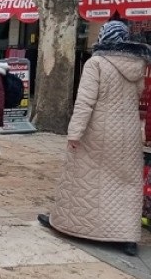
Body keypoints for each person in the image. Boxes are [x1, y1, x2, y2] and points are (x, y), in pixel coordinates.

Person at [38, 21, 151, 257]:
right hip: (128, 132)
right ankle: (127, 237)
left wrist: (75, 133)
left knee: (81, 177)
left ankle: (67, 223)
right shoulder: (139, 64)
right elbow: (138, 94)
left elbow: (85, 102)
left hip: (97, 130)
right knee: (126, 184)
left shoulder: (96, 63)